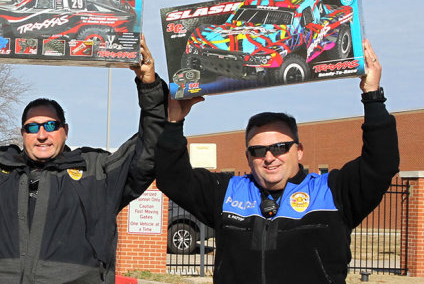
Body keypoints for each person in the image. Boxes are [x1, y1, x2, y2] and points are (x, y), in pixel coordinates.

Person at [0, 37, 168, 283]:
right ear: (22, 134)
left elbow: (149, 153)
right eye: (32, 128)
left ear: (65, 131)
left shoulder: (96, 172)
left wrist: (150, 89)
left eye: (51, 125)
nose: (42, 135)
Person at [155, 40, 398, 284]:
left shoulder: (331, 192)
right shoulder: (227, 192)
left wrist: (372, 96)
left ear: (299, 151)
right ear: (248, 157)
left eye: (280, 147)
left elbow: (380, 164)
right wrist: (173, 123)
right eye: (258, 150)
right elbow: (171, 177)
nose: (269, 157)